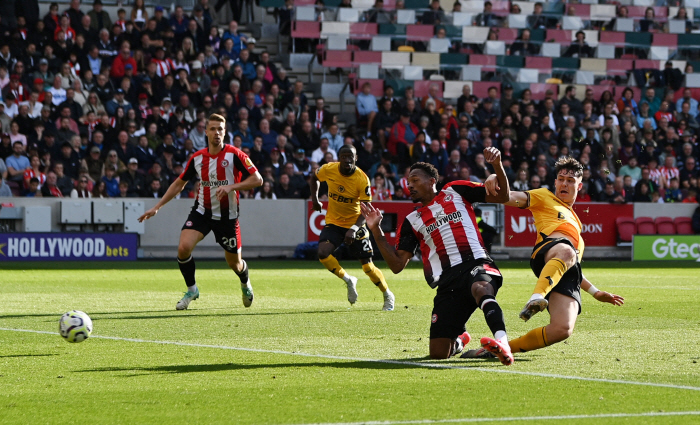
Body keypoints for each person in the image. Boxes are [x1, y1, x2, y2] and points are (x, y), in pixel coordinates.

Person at [360, 148, 513, 364]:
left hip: (476, 262)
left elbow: (504, 196)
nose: (409, 185)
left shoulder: (456, 190)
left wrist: (497, 166)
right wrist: (376, 230)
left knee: (481, 288)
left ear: (432, 180)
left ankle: (503, 344)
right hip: (448, 281)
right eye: (407, 181)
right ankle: (461, 341)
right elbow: (396, 265)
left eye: (414, 180)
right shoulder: (412, 220)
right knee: (439, 352)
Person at [138, 114, 263, 310]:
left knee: (235, 264)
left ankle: (245, 282)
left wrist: (232, 187)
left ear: (225, 132)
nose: (217, 133)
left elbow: (258, 179)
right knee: (183, 248)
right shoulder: (197, 158)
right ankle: (192, 289)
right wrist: (157, 207)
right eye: (212, 129)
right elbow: (179, 183)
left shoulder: (235, 155)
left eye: (220, 129)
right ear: (205, 132)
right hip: (202, 212)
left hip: (227, 218)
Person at [502, 157, 624, 354]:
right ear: (555, 182)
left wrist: (595, 292)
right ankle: (536, 297)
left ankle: (502, 348)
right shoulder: (544, 196)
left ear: (579, 185)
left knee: (562, 329)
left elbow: (570, 264)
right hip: (548, 250)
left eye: (570, 181)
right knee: (567, 250)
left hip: (565, 269)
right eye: (561, 179)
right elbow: (508, 196)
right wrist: (494, 178)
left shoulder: (577, 225)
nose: (564, 184)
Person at [310, 144, 395, 311]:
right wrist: (315, 200)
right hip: (334, 223)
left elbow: (367, 210)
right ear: (339, 158)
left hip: (355, 223)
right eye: (344, 156)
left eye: (351, 157)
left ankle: (387, 294)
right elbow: (314, 178)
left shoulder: (362, 179)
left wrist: (354, 229)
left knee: (367, 267)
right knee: (322, 253)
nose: (347, 159)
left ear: (356, 158)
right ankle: (348, 279)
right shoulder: (328, 169)